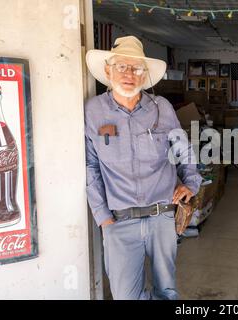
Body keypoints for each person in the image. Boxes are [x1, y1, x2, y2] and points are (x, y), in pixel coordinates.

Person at [84, 36, 202, 300]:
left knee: (167, 291)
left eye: (136, 68)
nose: (129, 74)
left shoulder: (161, 108)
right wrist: (102, 216)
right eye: (122, 67)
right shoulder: (93, 111)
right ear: (108, 71)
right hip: (119, 220)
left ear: (145, 74)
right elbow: (90, 165)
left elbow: (184, 150)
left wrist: (191, 183)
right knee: (125, 295)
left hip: (162, 217)